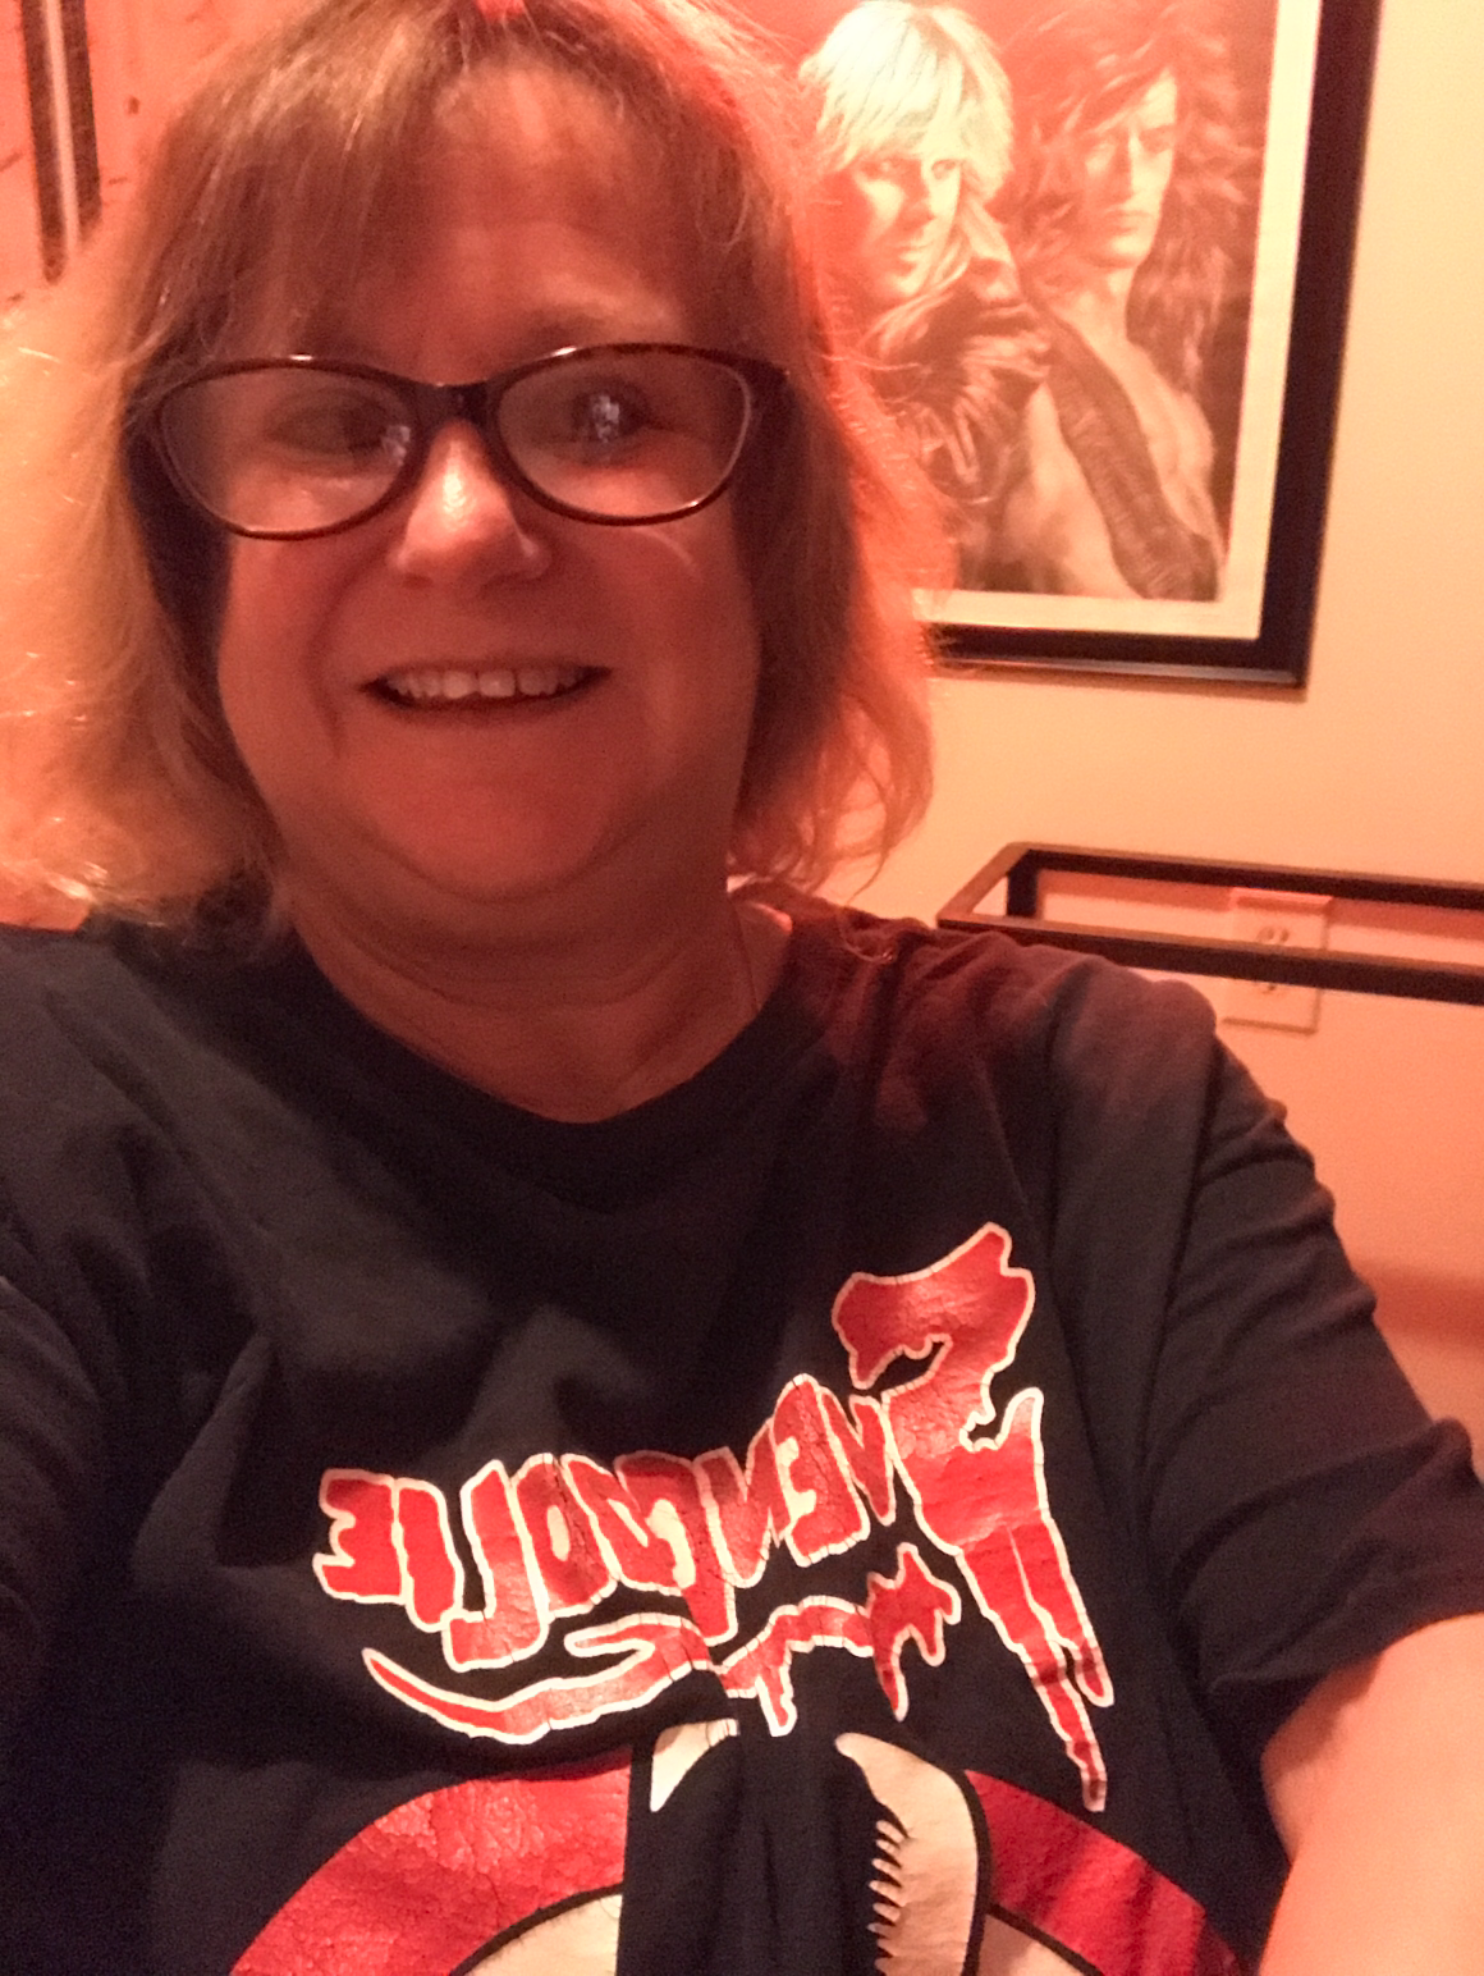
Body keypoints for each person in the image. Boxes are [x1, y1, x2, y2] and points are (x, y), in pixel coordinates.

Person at [1, 1, 1483, 1971]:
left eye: (606, 410)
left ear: (773, 530)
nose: (462, 525)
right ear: (182, 554)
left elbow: (1427, 1727)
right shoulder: (46, 1118)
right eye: (329, 420)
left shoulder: (1095, 1097)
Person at [995, 0, 1244, 599]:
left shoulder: (1162, 375)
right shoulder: (1020, 362)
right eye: (1101, 141)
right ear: (1048, 151)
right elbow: (1073, 577)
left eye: (1155, 141)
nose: (1131, 178)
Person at [800, 1, 1046, 588]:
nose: (928, 208)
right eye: (890, 166)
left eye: (944, 168)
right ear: (822, 171)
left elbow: (909, 484)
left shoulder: (994, 334)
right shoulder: (776, 310)